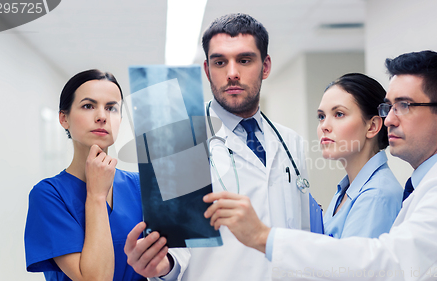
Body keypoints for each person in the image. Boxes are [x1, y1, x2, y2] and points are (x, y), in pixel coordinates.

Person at [205, 50, 437, 280]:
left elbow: (385, 264)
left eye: (405, 106)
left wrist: (265, 237)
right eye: (389, 108)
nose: (390, 120)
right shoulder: (425, 186)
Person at [124, 13, 313, 280]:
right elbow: (176, 246)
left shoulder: (290, 142)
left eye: (244, 60)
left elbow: (300, 234)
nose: (232, 73)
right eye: (220, 62)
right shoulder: (179, 139)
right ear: (207, 70)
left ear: (266, 66)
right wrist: (160, 263)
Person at [24, 69, 148, 280]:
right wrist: (97, 196)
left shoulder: (141, 186)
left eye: (111, 108)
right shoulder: (48, 195)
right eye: (88, 106)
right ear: (64, 118)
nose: (102, 116)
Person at [318, 73, 402, 239]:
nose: (324, 126)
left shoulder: (376, 195)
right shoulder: (346, 190)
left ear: (372, 127)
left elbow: (346, 265)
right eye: (321, 116)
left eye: (339, 114)